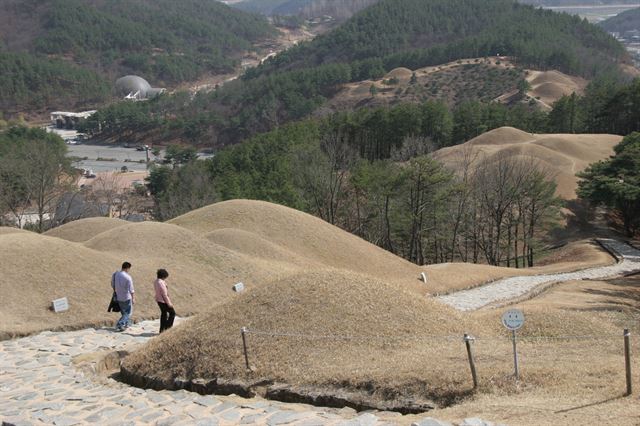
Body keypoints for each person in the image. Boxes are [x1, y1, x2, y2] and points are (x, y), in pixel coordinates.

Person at [112, 261, 135, 331]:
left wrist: (116, 290)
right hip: (126, 297)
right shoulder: (128, 277)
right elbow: (131, 289)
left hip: (118, 296)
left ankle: (126, 324)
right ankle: (120, 324)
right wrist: (133, 298)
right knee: (128, 313)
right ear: (127, 268)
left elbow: (112, 284)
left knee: (123, 312)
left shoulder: (115, 274)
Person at [154, 268, 175, 333]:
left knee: (164, 314)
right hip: (163, 301)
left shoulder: (156, 281)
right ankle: (168, 328)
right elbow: (164, 294)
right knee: (172, 313)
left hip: (158, 300)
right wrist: (169, 303)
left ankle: (162, 329)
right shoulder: (161, 283)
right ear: (163, 276)